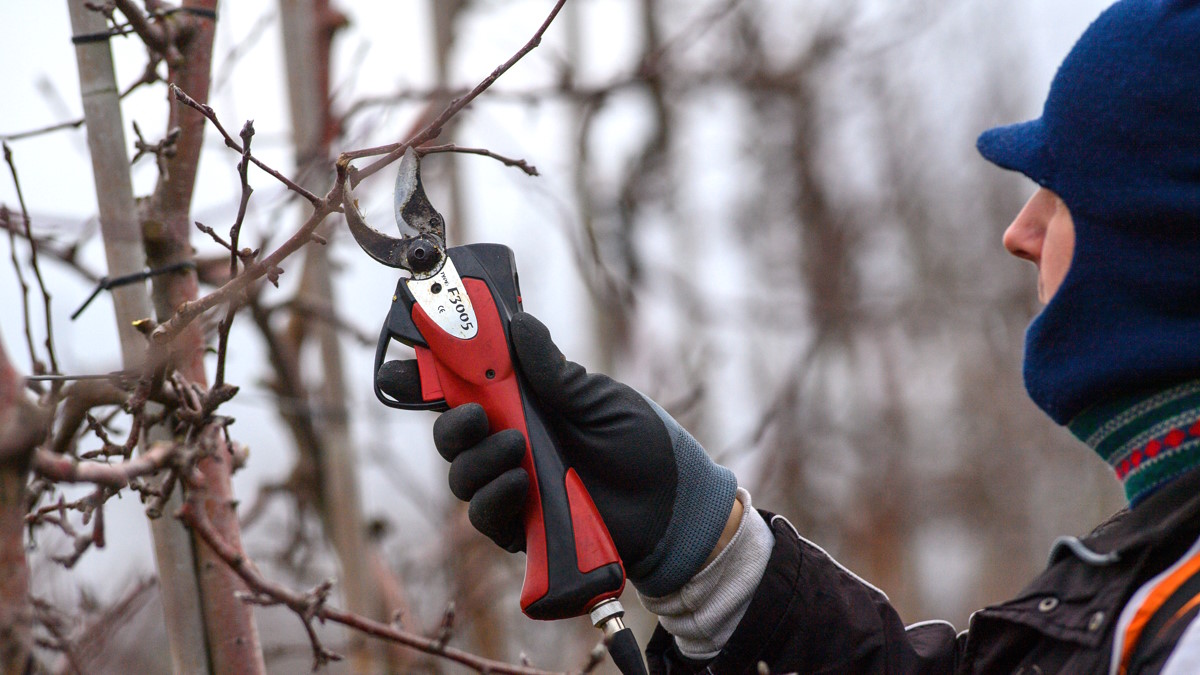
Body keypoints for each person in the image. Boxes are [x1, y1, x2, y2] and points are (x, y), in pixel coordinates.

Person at [381, 0, 1200, 671]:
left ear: (1163, 229)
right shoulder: (1148, 585)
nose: (1019, 231)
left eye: (1060, 190)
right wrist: (703, 550)